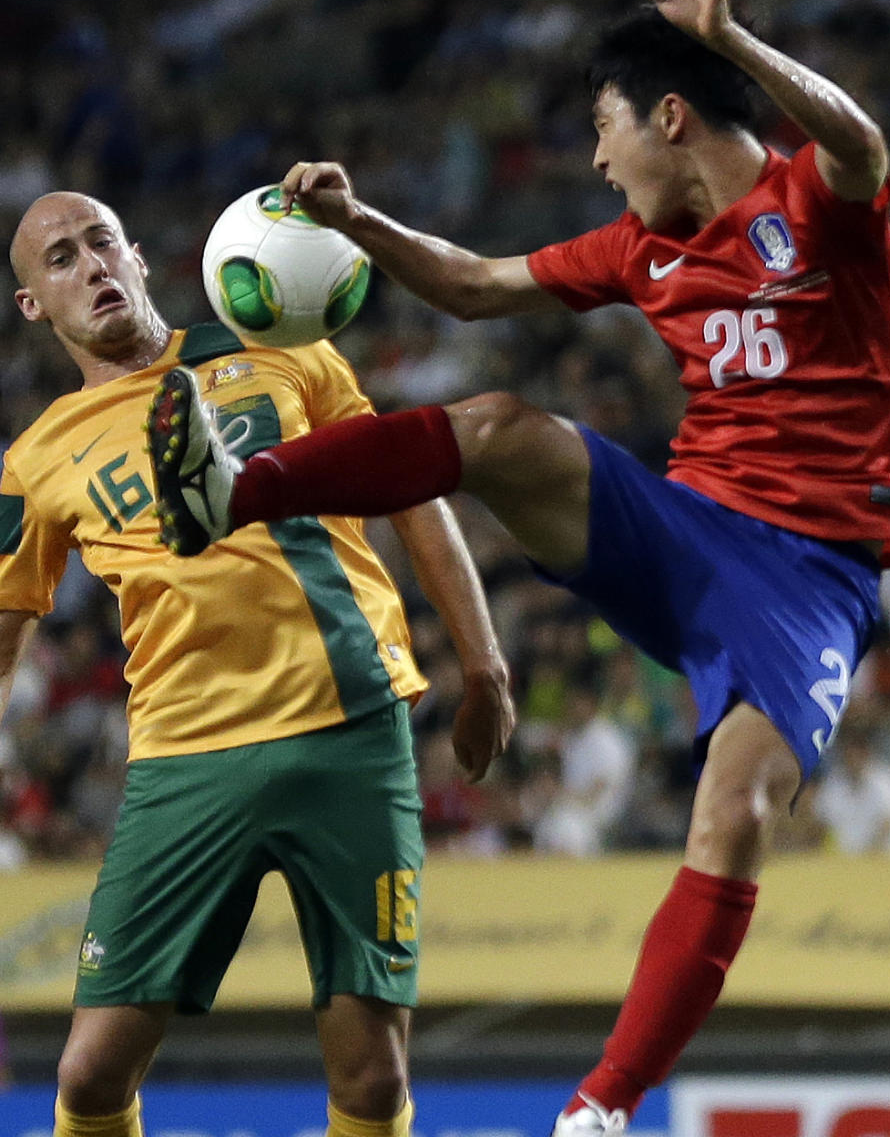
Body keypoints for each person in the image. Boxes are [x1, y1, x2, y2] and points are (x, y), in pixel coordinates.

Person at [148, 0, 890, 1137]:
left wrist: (727, 38)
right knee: (501, 422)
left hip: (812, 577)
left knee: (734, 809)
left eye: (605, 130)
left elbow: (863, 144)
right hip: (683, 528)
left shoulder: (809, 207)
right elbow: (469, 286)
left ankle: (599, 1111)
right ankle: (229, 491)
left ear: (670, 116)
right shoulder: (639, 250)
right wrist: (361, 224)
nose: (599, 164)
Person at [0, 190, 515, 1137]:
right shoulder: (35, 462)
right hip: (186, 763)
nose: (93, 268)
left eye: (103, 243)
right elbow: (4, 630)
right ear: (34, 304)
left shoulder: (277, 345)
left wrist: (485, 665)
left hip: (350, 732)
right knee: (88, 1079)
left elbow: (412, 480)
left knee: (370, 1080)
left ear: (142, 256)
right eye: (62, 260)